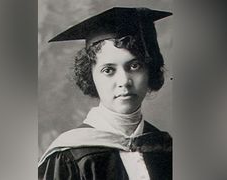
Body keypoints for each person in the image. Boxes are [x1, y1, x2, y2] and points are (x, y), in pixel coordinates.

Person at [38, 7, 172, 180]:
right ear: (90, 76)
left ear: (150, 70)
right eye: (108, 70)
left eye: (134, 66)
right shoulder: (69, 155)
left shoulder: (163, 147)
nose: (124, 81)